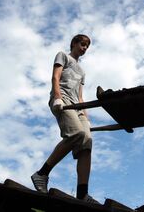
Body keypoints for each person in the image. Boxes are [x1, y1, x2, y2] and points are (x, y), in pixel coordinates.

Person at [31, 34, 99, 204]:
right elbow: (55, 77)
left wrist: (85, 115)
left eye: (87, 47)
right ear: (74, 43)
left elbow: (81, 96)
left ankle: (82, 193)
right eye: (82, 44)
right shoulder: (63, 56)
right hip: (64, 101)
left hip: (77, 106)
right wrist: (57, 97)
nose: (84, 48)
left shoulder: (82, 71)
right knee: (76, 134)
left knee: (87, 142)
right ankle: (41, 174)